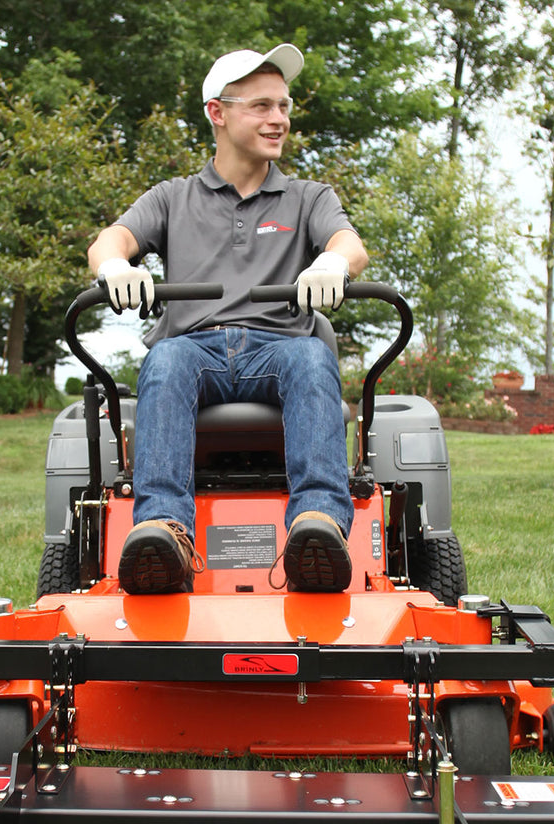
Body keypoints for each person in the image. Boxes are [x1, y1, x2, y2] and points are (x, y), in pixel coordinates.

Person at [87, 42, 369, 594]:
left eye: (284, 106)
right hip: (195, 349)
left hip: (279, 346)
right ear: (217, 112)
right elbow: (109, 240)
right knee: (165, 360)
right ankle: (163, 531)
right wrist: (116, 263)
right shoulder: (172, 198)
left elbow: (348, 243)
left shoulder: (309, 198)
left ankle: (318, 526)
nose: (279, 119)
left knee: (314, 356)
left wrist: (334, 260)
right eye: (261, 106)